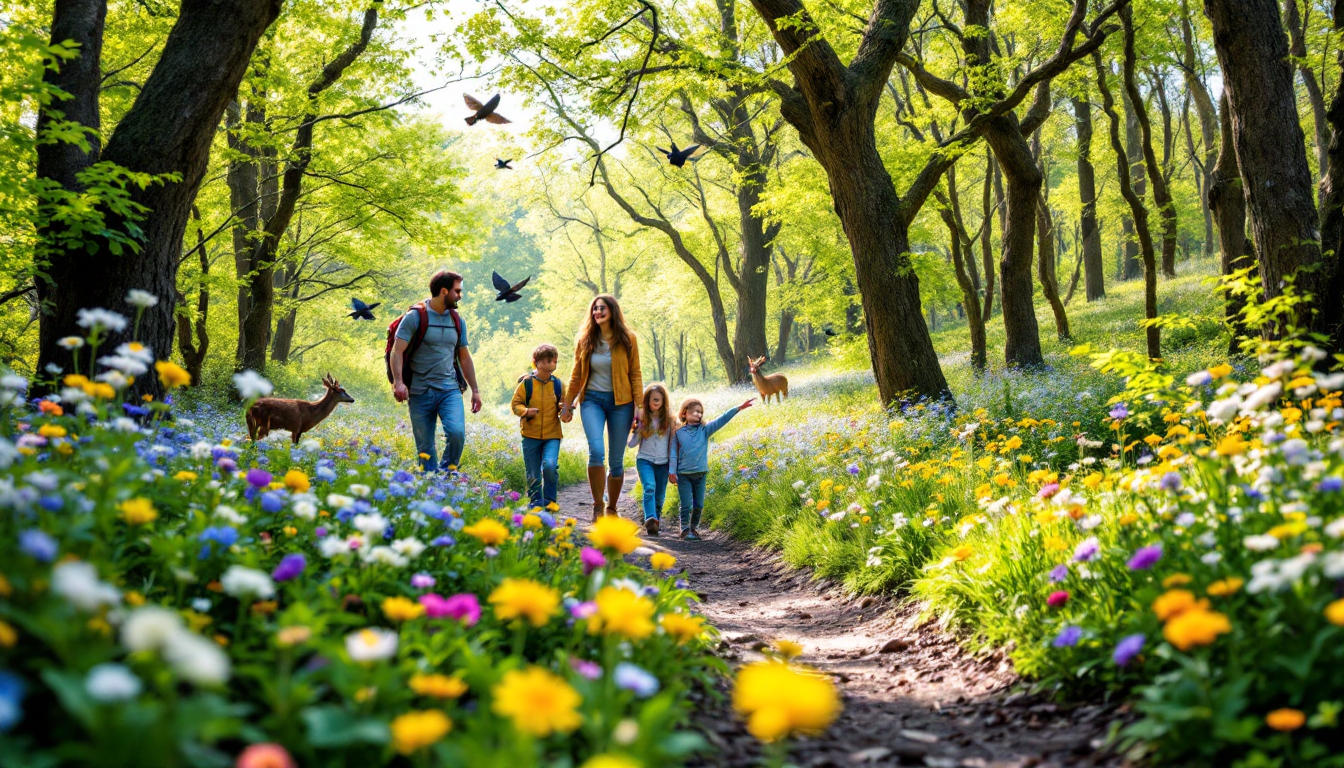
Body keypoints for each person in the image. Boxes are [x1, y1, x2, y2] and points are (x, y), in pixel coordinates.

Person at [561, 294, 644, 521]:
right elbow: (576, 375)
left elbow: (635, 374)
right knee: (596, 451)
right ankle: (598, 505)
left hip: (622, 404)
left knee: (616, 460)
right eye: (595, 309)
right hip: (592, 402)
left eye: (602, 308)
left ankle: (612, 508)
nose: (597, 312)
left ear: (612, 311)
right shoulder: (585, 339)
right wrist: (567, 405)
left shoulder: (628, 339)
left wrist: (640, 406)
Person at [390, 270, 483, 473]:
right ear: (443, 291)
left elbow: (464, 357)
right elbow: (397, 351)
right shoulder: (415, 317)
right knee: (425, 449)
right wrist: (398, 382)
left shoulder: (457, 321)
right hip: (419, 392)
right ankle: (431, 485)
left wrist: (475, 390)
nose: (460, 295)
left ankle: (447, 476)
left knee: (457, 433)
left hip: (449, 389)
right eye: (457, 291)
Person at [669, 396, 754, 540]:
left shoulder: (705, 430)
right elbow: (672, 454)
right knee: (686, 504)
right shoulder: (678, 434)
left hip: (701, 474)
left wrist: (738, 408)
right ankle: (684, 528)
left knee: (699, 505)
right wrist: (671, 471)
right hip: (683, 474)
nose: (699, 414)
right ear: (684, 413)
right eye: (695, 411)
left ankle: (693, 528)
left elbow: (722, 419)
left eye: (700, 412)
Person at [511, 344, 565, 510]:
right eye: (549, 361)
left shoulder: (558, 384)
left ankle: (550, 502)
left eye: (554, 361)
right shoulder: (526, 384)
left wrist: (565, 408)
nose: (552, 365)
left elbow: (563, 402)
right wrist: (526, 412)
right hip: (530, 436)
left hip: (552, 435)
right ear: (537, 363)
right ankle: (535, 503)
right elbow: (515, 404)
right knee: (533, 472)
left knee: (549, 466)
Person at [627, 383, 675, 536]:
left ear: (663, 402)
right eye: (649, 400)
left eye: (656, 400)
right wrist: (636, 429)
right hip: (645, 460)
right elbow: (631, 444)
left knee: (660, 496)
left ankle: (656, 521)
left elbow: (673, 445)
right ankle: (650, 518)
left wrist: (673, 468)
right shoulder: (643, 420)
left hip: (663, 463)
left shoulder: (670, 421)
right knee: (649, 487)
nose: (653, 403)